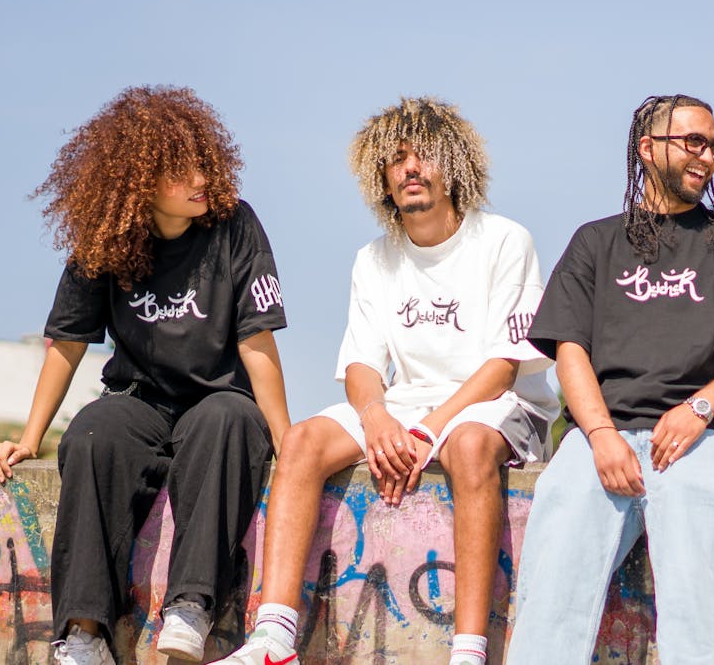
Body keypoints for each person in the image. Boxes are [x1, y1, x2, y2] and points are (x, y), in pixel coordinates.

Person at [211, 97, 557, 665]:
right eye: (396, 161)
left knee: (469, 446)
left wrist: (425, 432)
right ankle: (274, 639)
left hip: (499, 404)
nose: (410, 169)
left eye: (424, 157)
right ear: (382, 178)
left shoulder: (504, 240)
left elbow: (503, 367)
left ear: (456, 167)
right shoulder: (374, 259)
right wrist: (377, 419)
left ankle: (468, 651)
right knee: (300, 441)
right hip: (408, 403)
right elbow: (363, 368)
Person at [0, 86, 292, 665]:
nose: (202, 177)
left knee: (226, 420)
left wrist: (285, 437)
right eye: (181, 170)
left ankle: (190, 608)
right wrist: (29, 439)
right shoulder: (106, 238)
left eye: (204, 161)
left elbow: (257, 340)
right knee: (92, 436)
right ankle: (82, 634)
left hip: (220, 401)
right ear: (140, 180)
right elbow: (66, 345)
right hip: (139, 401)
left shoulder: (235, 225)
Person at [507, 93, 714, 665]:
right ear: (647, 148)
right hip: (598, 438)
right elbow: (570, 352)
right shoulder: (595, 241)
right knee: (552, 592)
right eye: (694, 142)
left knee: (697, 597)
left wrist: (699, 410)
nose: (708, 156)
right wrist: (599, 435)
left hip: (701, 439)